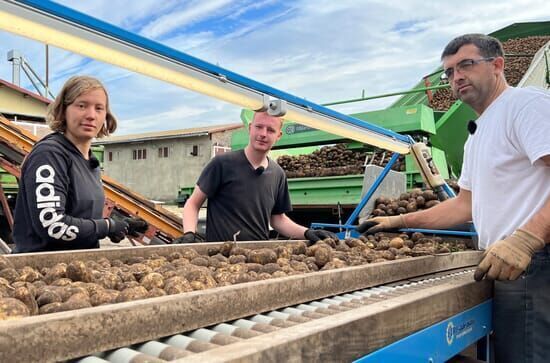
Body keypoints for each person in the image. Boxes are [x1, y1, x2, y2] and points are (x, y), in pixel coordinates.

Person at [358, 34, 550, 362]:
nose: (456, 77)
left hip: (534, 263)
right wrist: (400, 221)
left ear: (498, 66)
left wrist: (528, 239)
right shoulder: (477, 135)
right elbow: (464, 205)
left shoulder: (525, 106)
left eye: (466, 65)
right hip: (502, 264)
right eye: (448, 72)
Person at [12, 75, 147, 253]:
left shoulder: (90, 161)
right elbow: (52, 226)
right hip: (42, 273)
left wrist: (116, 226)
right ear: (64, 110)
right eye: (81, 105)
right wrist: (105, 227)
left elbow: (82, 217)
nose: (91, 115)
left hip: (80, 267)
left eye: (99, 108)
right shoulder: (50, 155)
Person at [178, 111, 336, 243]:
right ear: (250, 128)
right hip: (220, 258)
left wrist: (307, 232)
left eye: (270, 130)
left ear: (278, 136)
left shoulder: (278, 174)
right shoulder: (222, 164)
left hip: (258, 258)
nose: (263, 134)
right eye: (259, 127)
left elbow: (278, 219)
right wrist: (189, 234)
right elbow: (193, 203)